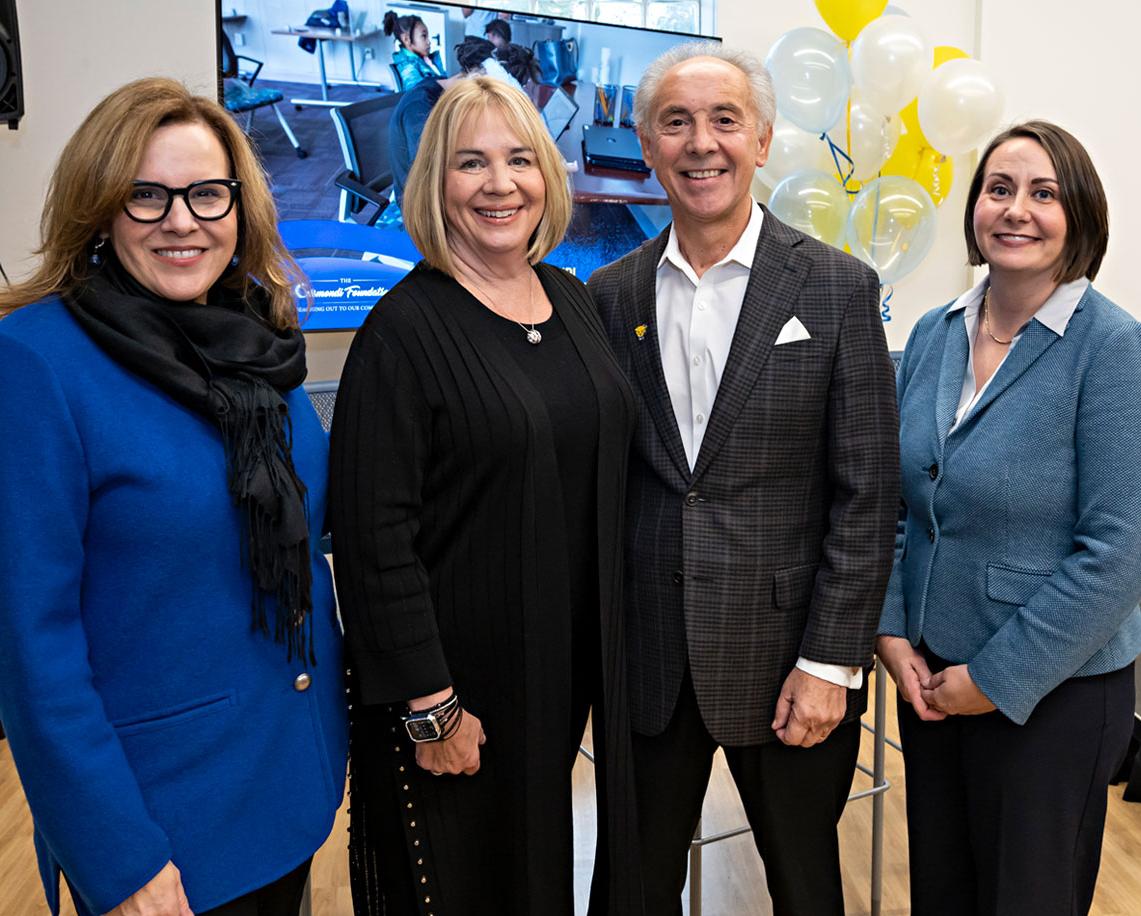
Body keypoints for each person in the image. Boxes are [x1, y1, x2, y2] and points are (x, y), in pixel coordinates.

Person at [0, 78, 347, 916]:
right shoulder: (36, 360)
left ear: (240, 206)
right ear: (101, 207)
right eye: (145, 195)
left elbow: (316, 520)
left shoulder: (257, 341)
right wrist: (116, 858)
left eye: (206, 193)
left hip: (289, 780)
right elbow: (28, 649)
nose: (181, 220)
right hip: (163, 825)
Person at [588, 42, 899, 915]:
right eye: (675, 123)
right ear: (646, 146)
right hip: (647, 666)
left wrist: (830, 663)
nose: (701, 143)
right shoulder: (607, 296)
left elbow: (867, 495)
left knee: (804, 889)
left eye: (724, 119)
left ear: (761, 140)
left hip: (786, 666)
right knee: (628, 891)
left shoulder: (837, 289)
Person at [329, 77, 642, 915]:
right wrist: (432, 709)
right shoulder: (401, 333)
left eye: (517, 161)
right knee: (468, 888)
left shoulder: (571, 300)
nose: (499, 185)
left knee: (539, 879)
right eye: (470, 164)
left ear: (547, 175)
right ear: (435, 184)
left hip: (567, 678)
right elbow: (371, 541)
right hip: (463, 694)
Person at [877, 120, 1141, 916]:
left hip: (1048, 696)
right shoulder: (932, 332)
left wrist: (992, 682)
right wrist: (890, 630)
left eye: (1042, 193)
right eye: (998, 189)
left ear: (1080, 217)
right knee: (944, 896)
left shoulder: (1112, 348)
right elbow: (901, 501)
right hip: (928, 681)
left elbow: (1118, 553)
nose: (1015, 210)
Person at [390, 36, 537, 208]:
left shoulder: (448, 97)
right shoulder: (420, 108)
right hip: (419, 209)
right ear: (476, 74)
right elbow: (430, 180)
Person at [384, 11, 444, 91]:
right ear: (406, 39)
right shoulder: (407, 68)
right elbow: (419, 95)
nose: (429, 41)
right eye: (424, 36)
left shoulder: (427, 60)